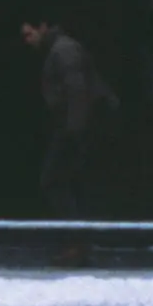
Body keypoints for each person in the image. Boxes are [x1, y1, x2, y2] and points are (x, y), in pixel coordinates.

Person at [24, 18, 114, 217]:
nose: (27, 40)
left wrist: (74, 131)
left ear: (43, 27)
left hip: (78, 126)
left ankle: (77, 236)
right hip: (75, 125)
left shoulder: (62, 50)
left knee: (54, 180)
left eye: (30, 34)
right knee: (72, 181)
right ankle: (78, 236)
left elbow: (77, 90)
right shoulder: (57, 50)